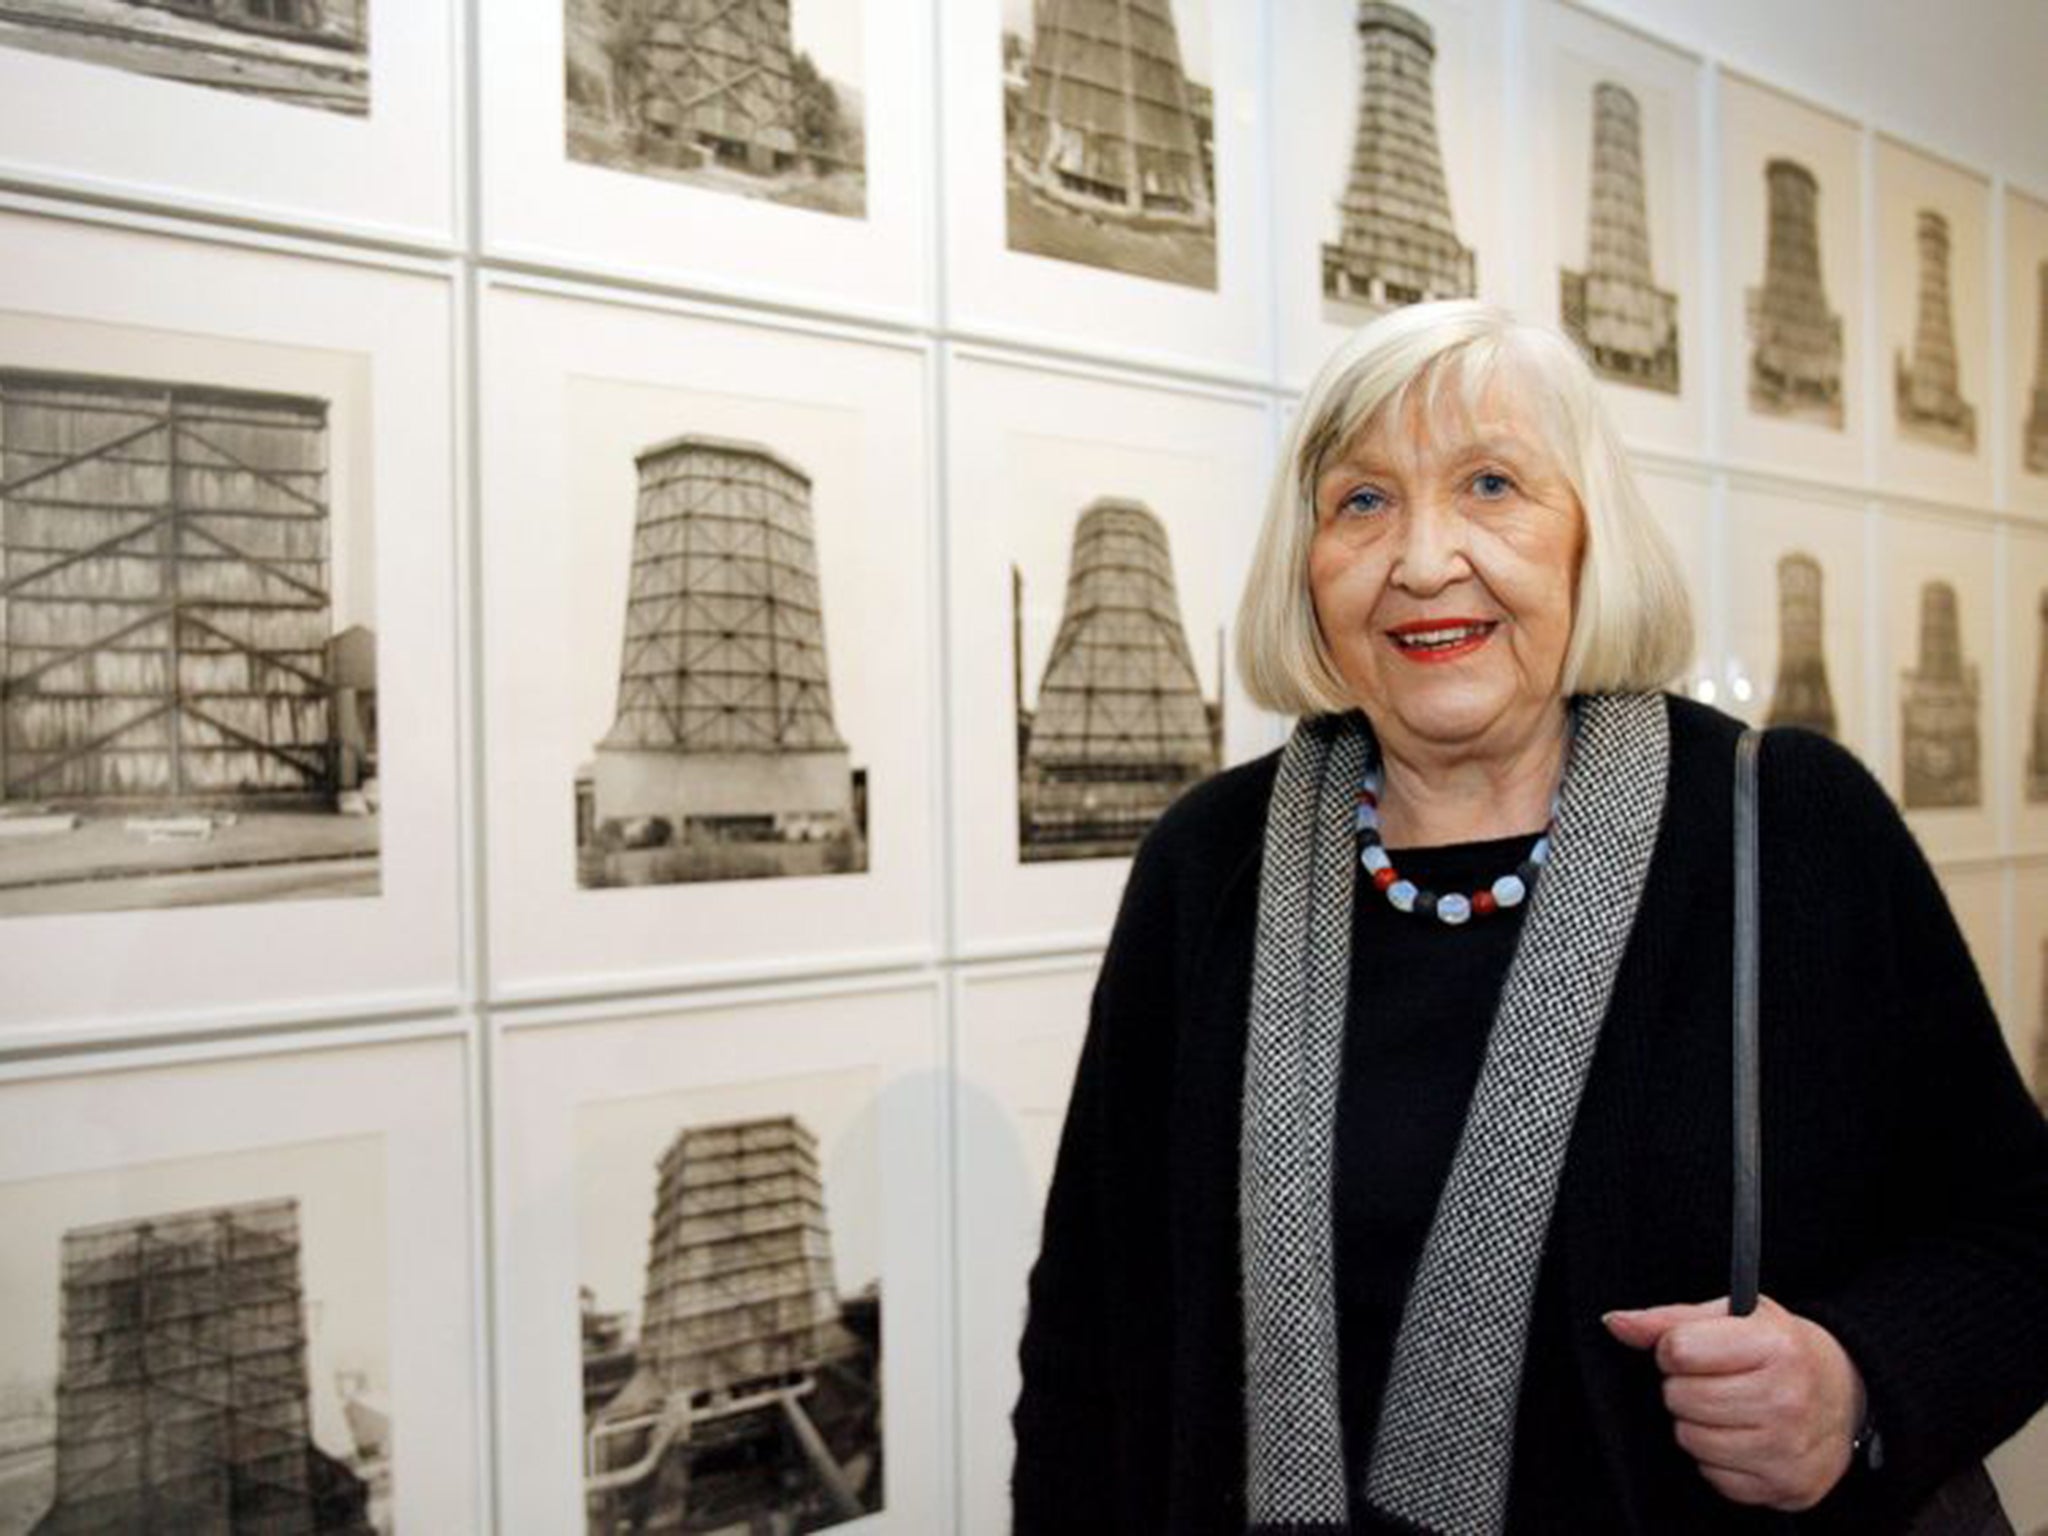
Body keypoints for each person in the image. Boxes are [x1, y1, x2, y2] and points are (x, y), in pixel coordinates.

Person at [1010, 301, 2048, 1534]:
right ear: (1305, 563)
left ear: (1584, 538)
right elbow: (1089, 1339)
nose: (1422, 559)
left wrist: (1858, 1380)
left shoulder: (1787, 829)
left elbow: (2016, 1233)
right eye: (1360, 502)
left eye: (1489, 484)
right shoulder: (1207, 863)